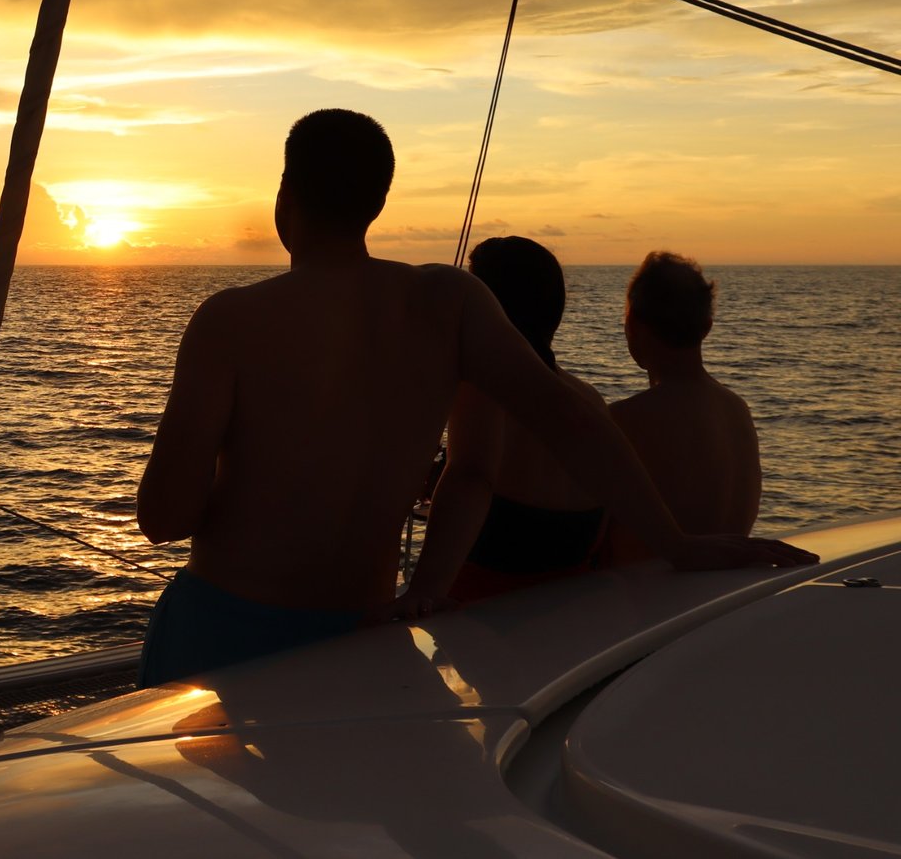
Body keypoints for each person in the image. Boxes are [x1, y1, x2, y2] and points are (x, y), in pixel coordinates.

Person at [135, 109, 811, 687]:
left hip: (223, 633)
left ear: (286, 195)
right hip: (363, 637)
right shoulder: (448, 300)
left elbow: (164, 517)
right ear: (378, 201)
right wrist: (677, 543)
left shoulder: (229, 320)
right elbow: (570, 418)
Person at [405, 236, 607, 605]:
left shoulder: (484, 388)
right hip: (568, 603)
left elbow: (472, 476)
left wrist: (422, 592)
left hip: (483, 607)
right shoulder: (588, 398)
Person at [603, 252, 762, 563]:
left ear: (632, 323)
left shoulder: (623, 420)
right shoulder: (737, 411)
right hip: (727, 587)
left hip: (646, 591)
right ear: (707, 327)